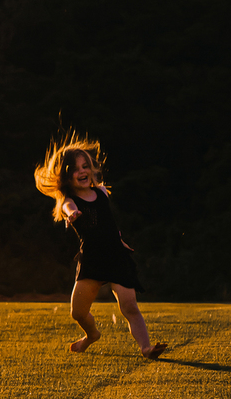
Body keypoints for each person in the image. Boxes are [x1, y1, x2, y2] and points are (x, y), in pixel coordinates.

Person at [34, 134, 167, 359]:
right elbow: (67, 207)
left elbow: (109, 223)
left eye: (85, 166)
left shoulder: (102, 192)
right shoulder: (70, 201)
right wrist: (72, 214)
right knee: (78, 312)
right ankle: (92, 335)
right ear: (66, 176)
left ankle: (146, 348)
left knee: (130, 307)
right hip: (93, 260)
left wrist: (119, 239)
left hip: (116, 257)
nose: (82, 171)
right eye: (75, 169)